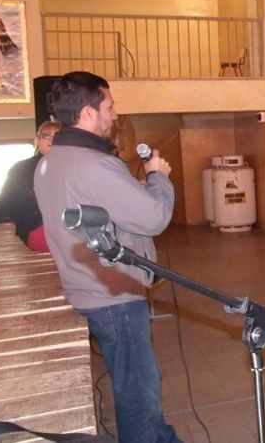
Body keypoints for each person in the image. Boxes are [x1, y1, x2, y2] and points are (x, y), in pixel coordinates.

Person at [33, 71, 180, 443]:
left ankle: (160, 436)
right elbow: (153, 217)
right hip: (114, 295)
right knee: (137, 388)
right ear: (87, 113)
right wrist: (157, 177)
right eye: (109, 107)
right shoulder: (93, 165)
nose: (114, 115)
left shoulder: (51, 161)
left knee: (133, 378)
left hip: (86, 286)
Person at [0, 121, 59, 251]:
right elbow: (6, 197)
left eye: (57, 136)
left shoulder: (70, 166)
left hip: (68, 228)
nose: (52, 139)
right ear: (38, 140)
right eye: (46, 135)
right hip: (38, 228)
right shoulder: (22, 168)